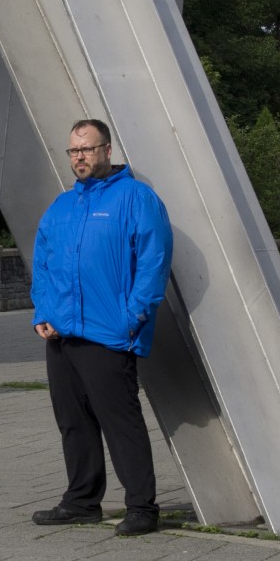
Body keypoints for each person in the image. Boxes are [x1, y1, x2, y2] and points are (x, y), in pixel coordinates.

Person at [30, 118, 173, 536]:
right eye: (74, 151)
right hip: (61, 334)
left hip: (110, 333)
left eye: (87, 150)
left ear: (107, 150)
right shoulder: (62, 206)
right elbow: (42, 262)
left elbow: (153, 262)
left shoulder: (136, 198)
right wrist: (42, 312)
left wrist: (132, 317)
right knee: (73, 421)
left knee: (120, 421)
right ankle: (81, 502)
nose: (79, 158)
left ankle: (142, 508)